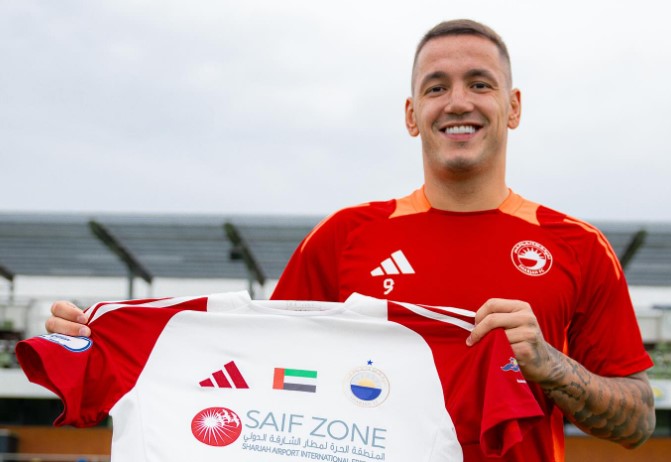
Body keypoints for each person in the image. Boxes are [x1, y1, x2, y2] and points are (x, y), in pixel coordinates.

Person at [46, 19, 655, 461]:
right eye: (436, 87)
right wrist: (105, 338)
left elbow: (638, 422)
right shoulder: (344, 237)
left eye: (480, 83)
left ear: (513, 106)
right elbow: (255, 367)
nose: (458, 102)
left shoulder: (576, 246)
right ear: (412, 114)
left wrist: (550, 367)